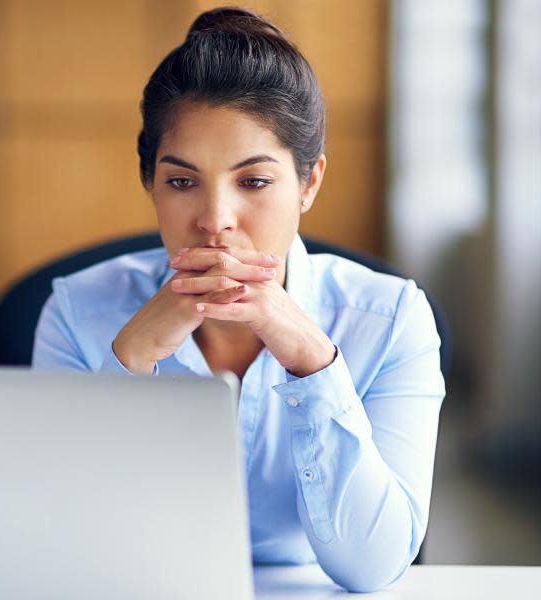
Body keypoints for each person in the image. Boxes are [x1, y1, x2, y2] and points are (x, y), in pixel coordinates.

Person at [32, 7, 445, 593]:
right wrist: (130, 358)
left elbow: (373, 567)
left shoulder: (392, 320)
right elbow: (61, 547)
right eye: (181, 182)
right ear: (150, 181)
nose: (215, 221)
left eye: (253, 182)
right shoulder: (76, 313)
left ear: (309, 183)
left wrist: (311, 360)